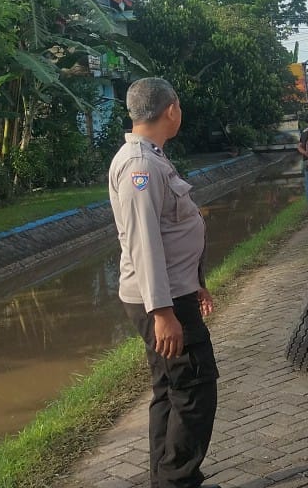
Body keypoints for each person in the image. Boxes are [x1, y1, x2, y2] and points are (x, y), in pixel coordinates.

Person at [109, 77, 220, 488]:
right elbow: (144, 242)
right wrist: (162, 312)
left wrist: (195, 282)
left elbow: (173, 232)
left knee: (169, 389)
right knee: (194, 389)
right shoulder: (140, 166)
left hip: (174, 291)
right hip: (162, 301)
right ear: (171, 109)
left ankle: (167, 479)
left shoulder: (152, 157)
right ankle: (178, 481)